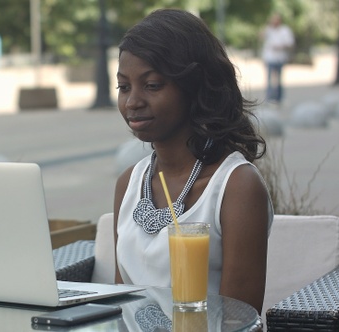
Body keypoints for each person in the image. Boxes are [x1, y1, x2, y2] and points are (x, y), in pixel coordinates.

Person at [113, 9, 273, 314]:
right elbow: (122, 307)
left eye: (152, 85)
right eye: (124, 87)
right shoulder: (128, 184)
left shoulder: (236, 186)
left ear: (194, 86)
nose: (132, 101)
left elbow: (236, 319)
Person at [261, 13, 294, 104]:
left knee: (279, 79)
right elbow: (261, 37)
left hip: (280, 58)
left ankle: (279, 98)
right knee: (269, 79)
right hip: (269, 58)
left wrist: (280, 47)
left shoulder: (285, 30)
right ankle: (269, 98)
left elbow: (290, 43)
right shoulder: (268, 30)